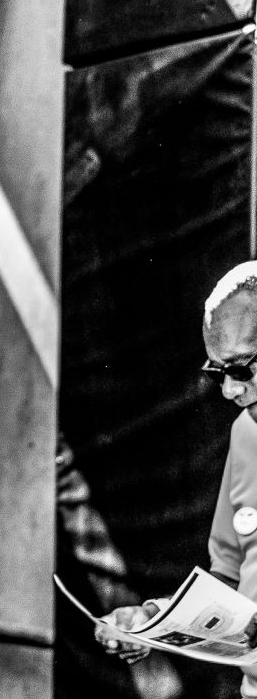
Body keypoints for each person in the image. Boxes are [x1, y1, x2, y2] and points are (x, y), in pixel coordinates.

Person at [96, 261, 257, 695]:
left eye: (242, 369)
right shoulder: (246, 434)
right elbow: (229, 578)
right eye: (219, 372)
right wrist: (154, 618)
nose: (230, 391)